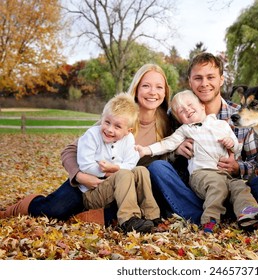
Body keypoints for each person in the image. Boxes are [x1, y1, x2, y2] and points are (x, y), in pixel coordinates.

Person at [0, 64, 172, 227]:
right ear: (136, 88)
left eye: (159, 87)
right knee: (55, 210)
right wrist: (79, 176)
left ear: (165, 92)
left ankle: (96, 216)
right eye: (146, 86)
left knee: (122, 203)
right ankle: (23, 206)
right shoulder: (113, 119)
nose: (153, 92)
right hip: (90, 181)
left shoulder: (168, 124)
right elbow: (69, 150)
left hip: (124, 187)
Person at [147, 52, 258, 226]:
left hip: (236, 187)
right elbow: (161, 151)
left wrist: (237, 167)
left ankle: (243, 213)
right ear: (190, 82)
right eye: (198, 78)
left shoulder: (240, 115)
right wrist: (176, 152)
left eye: (210, 77)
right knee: (158, 168)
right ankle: (205, 217)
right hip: (197, 191)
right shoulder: (177, 115)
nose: (204, 83)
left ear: (221, 79)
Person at [136, 90, 258, 233]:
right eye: (181, 111)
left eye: (190, 104)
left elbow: (236, 147)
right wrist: (146, 150)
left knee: (240, 188)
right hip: (202, 174)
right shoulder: (186, 129)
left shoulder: (222, 125)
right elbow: (166, 144)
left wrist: (231, 143)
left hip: (226, 174)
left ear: (202, 106)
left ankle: (247, 213)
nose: (187, 109)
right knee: (217, 187)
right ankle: (209, 222)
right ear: (180, 120)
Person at [77, 92, 160, 233]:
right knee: (123, 174)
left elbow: (131, 162)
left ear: (128, 131)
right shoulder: (91, 135)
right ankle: (128, 220)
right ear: (102, 119)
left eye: (117, 126)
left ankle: (151, 216)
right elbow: (85, 165)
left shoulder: (129, 140)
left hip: (117, 187)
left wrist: (115, 168)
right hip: (94, 192)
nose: (109, 129)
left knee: (141, 170)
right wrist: (106, 171)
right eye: (107, 122)